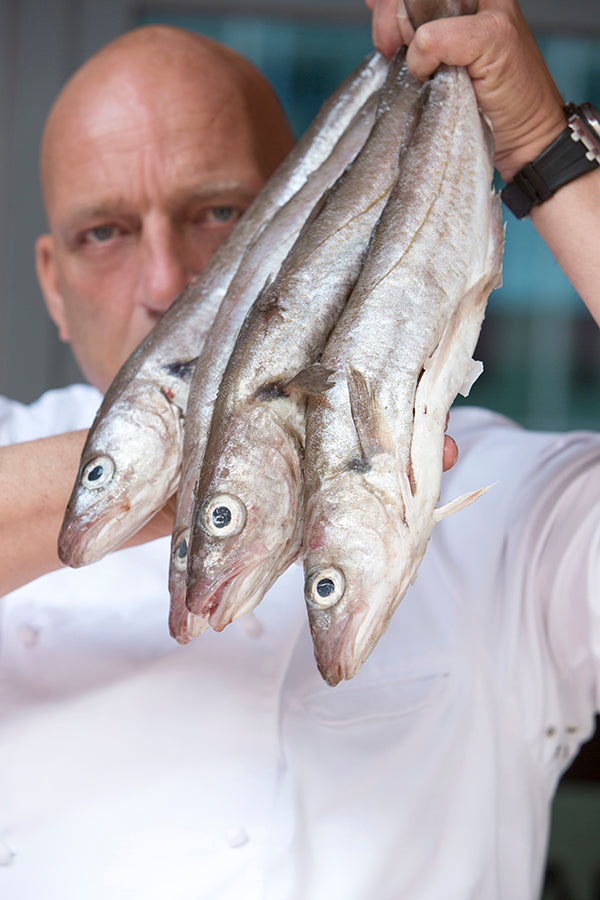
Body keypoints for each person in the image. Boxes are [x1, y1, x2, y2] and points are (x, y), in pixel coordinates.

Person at [0, 3, 598, 898]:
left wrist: (549, 156)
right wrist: (218, 467)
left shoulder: (512, 504)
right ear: (51, 280)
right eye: (105, 232)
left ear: (314, 211)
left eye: (217, 212)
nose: (166, 282)